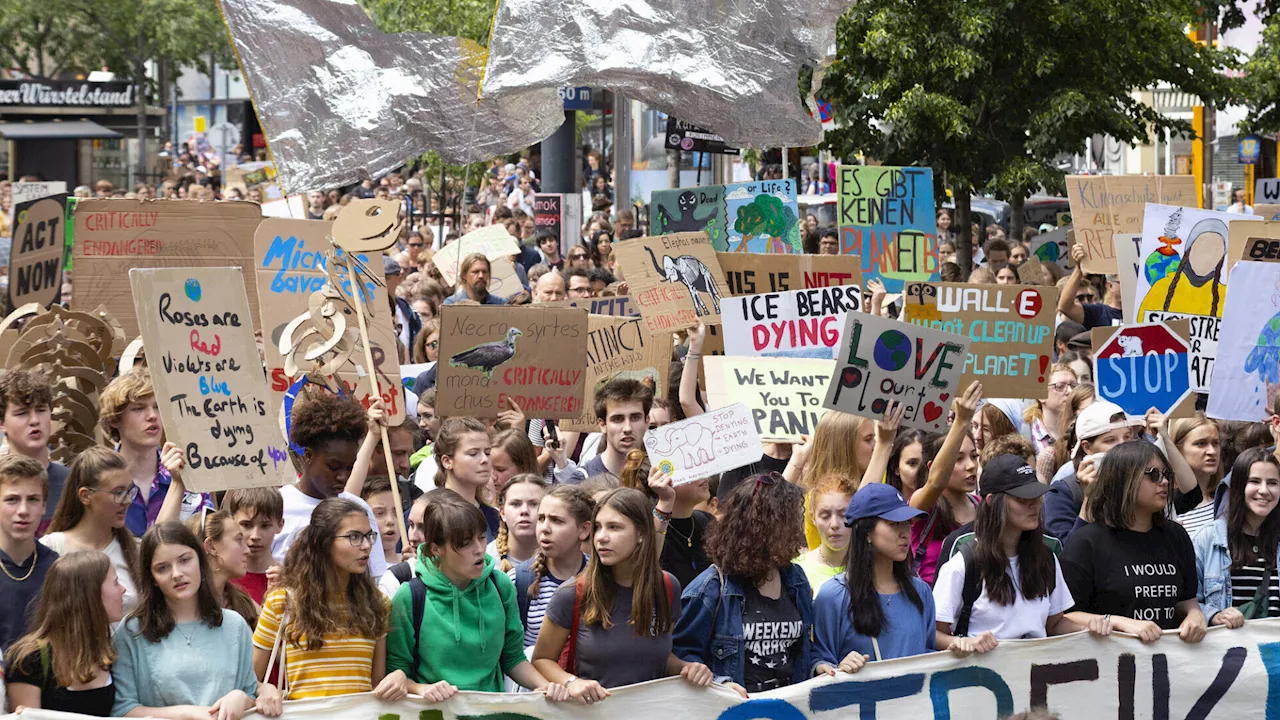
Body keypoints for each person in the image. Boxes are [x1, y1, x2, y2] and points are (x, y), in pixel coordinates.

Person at [531, 488, 713, 700]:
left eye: (614, 527)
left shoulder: (667, 586)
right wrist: (572, 682)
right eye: (598, 527)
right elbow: (541, 659)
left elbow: (656, 658)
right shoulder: (572, 594)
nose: (601, 537)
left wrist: (687, 668)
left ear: (642, 534)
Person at [386, 491, 567, 700]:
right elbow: (397, 672)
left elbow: (513, 658)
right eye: (465, 543)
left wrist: (545, 687)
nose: (479, 549)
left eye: (481, 537)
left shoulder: (501, 585)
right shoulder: (410, 596)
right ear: (436, 548)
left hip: (490, 713)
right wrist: (421, 689)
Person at [112, 522, 282, 719]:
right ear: (151, 578)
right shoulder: (132, 631)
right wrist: (189, 713)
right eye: (163, 568)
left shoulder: (234, 625)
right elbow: (122, 709)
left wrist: (241, 697)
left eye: (184, 560)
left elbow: (250, 691)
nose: (177, 574)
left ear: (200, 560)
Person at [812, 484, 988, 674]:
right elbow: (818, 662)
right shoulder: (834, 596)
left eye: (907, 523)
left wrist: (952, 653)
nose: (905, 532)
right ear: (866, 532)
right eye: (894, 524)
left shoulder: (920, 592)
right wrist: (838, 667)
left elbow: (925, 654)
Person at [252, 498, 407, 700]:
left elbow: (376, 684)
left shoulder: (378, 604)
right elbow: (250, 680)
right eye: (354, 537)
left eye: (369, 536)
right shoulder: (282, 602)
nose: (366, 545)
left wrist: (398, 677)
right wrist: (264, 689)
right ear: (321, 542)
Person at [673, 476, 813, 693]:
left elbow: (806, 651)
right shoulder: (711, 588)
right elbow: (681, 655)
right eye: (789, 521)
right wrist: (720, 683)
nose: (797, 529)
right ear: (760, 526)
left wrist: (821, 665)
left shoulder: (796, 580)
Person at [1061, 441, 1207, 643]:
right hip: (1112, 665)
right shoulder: (1086, 542)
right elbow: (1062, 619)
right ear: (1122, 479)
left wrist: (1195, 615)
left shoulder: (1176, 536)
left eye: (1166, 474)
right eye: (1153, 474)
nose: (1163, 482)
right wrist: (1118, 622)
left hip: (1167, 665)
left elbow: (1186, 600)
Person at [933, 455, 1080, 641]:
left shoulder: (1046, 558)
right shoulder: (964, 564)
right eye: (1022, 498)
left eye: (1036, 495)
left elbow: (1055, 624)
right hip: (983, 669)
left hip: (1036, 668)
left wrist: (1093, 629)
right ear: (992, 501)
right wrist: (964, 643)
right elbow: (934, 634)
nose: (1034, 504)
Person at [274, 392, 388, 580]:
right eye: (333, 467)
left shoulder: (358, 509)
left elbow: (376, 579)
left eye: (350, 467)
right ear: (309, 456)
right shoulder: (279, 507)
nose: (343, 476)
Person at [3, 551, 124, 715]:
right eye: (116, 583)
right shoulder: (30, 659)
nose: (123, 590)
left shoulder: (110, 651)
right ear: (90, 594)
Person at [99, 369, 213, 536]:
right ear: (115, 419)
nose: (152, 416)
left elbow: (208, 543)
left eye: (157, 407)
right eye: (139, 408)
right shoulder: (101, 481)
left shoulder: (189, 474)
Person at [41, 447, 143, 616]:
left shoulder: (135, 550)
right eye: (118, 493)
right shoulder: (51, 548)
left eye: (129, 490)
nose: (128, 500)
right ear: (85, 496)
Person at [906, 383, 983, 586]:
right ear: (933, 466)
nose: (970, 466)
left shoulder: (982, 506)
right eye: (957, 459)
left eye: (974, 456)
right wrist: (962, 421)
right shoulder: (921, 506)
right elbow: (935, 484)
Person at [1193, 447, 1280, 625]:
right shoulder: (1209, 538)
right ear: (1239, 486)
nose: (1264, 490)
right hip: (1231, 651)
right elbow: (1185, 603)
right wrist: (1215, 615)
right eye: (1254, 481)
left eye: (1272, 483)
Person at [1041, 401, 1144, 544]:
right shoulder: (1063, 492)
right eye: (1110, 440)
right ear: (1087, 447)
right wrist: (1090, 499)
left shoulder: (1143, 482)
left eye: (1127, 437)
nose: (1122, 446)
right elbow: (1068, 553)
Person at [509, 485, 594, 647]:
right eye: (541, 518)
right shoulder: (518, 580)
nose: (545, 528)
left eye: (556, 520)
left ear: (584, 529)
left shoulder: (600, 575)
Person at [620, 450, 709, 588]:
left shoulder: (707, 521)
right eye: (688, 468)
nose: (702, 474)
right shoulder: (647, 529)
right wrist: (665, 501)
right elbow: (644, 568)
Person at [0, 455, 57, 652]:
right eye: (12, 500)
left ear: (43, 506)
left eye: (33, 499)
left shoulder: (56, 569)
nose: (23, 510)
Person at [0, 369, 69, 530]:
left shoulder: (72, 482)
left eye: (41, 410)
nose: (34, 421)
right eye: (22, 413)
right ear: (2, 423)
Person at [568, 378, 652, 481]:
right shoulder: (582, 481)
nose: (627, 428)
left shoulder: (661, 476)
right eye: (617, 419)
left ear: (647, 421)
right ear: (602, 425)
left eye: (635, 418)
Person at [433, 417, 502, 541]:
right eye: (473, 453)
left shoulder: (495, 517)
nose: (484, 460)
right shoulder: (428, 512)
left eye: (487, 452)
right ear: (447, 461)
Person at [187, 509, 259, 629]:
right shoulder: (184, 606)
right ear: (211, 546)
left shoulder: (242, 601)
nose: (247, 550)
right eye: (239, 540)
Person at [795, 474, 856, 595]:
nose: (834, 524)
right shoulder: (798, 570)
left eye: (843, 515)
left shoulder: (872, 565)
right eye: (825, 516)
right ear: (813, 518)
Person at [224, 489, 284, 606]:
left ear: (280, 525)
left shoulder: (290, 579)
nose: (255, 536)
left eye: (265, 526)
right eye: (246, 525)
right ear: (232, 522)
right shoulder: (222, 578)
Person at [1171, 416, 1223, 534]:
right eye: (1201, 443)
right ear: (1177, 450)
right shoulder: (1167, 507)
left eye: (1215, 443)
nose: (1212, 451)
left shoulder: (1228, 497)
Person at [490, 474, 547, 571]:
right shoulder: (485, 560)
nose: (524, 511)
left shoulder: (562, 559)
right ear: (502, 513)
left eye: (533, 504)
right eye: (516, 504)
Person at [1058, 244, 1124, 328]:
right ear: (1110, 286)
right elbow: (1066, 307)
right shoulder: (1099, 312)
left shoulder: (1142, 313)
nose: (1130, 286)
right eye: (1123, 282)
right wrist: (1079, 268)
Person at [1023, 364, 1078, 456]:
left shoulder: (1082, 428)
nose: (1070, 391)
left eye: (1073, 386)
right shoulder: (1025, 433)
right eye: (1060, 387)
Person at [442, 254, 507, 306]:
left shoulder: (500, 304)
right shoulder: (451, 304)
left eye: (484, 272)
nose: (481, 276)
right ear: (464, 275)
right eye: (475, 272)